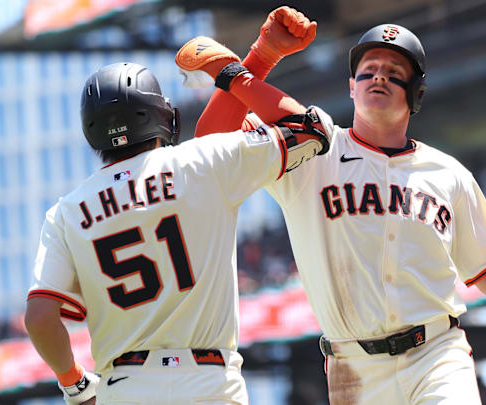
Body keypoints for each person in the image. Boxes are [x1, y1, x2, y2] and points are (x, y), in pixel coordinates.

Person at [176, 19, 486, 404]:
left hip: (436, 353)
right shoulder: (312, 152)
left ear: (416, 93)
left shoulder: (448, 173)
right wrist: (262, 55)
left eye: (394, 71)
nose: (378, 77)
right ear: (350, 88)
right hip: (352, 369)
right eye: (367, 70)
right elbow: (211, 141)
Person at [23, 10, 327, 404]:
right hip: (209, 383)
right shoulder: (201, 163)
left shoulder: (65, 212)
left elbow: (40, 318)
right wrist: (242, 69)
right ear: (163, 115)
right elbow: (311, 129)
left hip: (124, 388)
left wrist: (75, 384)